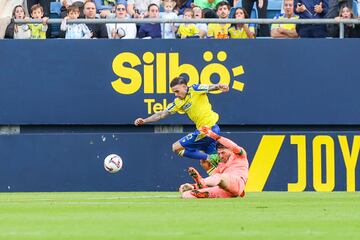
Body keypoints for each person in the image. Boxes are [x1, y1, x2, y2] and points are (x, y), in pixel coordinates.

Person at [134, 77, 229, 174]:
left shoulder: (195, 89)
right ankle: (223, 183)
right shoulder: (178, 102)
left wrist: (218, 86)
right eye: (174, 92)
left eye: (177, 91)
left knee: (176, 147)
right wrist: (145, 120)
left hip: (208, 129)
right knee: (207, 164)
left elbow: (210, 87)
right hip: (208, 132)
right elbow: (161, 114)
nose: (176, 94)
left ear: (184, 87)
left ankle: (211, 158)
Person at [180, 126, 249, 198]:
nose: (221, 156)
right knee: (187, 194)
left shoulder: (239, 156)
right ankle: (204, 193)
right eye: (219, 153)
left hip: (237, 183)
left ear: (230, 150)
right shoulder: (220, 165)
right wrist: (191, 186)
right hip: (225, 191)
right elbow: (212, 181)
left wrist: (214, 136)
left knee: (220, 177)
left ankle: (201, 182)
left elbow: (233, 146)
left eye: (223, 152)